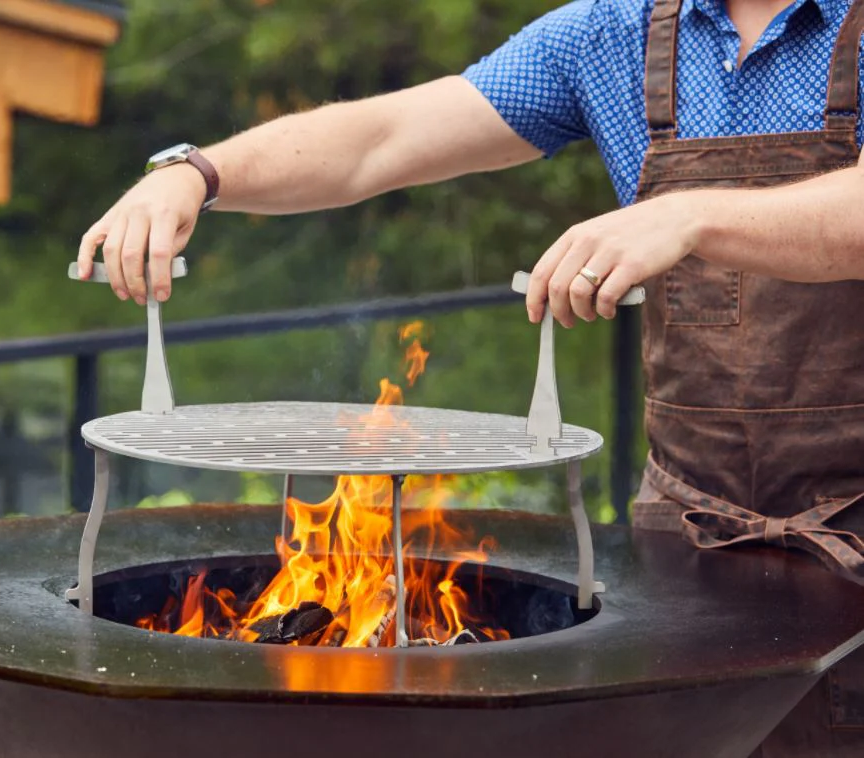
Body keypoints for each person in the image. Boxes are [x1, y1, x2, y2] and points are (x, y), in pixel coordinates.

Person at [78, 1, 864, 754]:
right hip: (692, 539)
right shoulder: (612, 33)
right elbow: (379, 138)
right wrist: (194, 173)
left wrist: (688, 215)